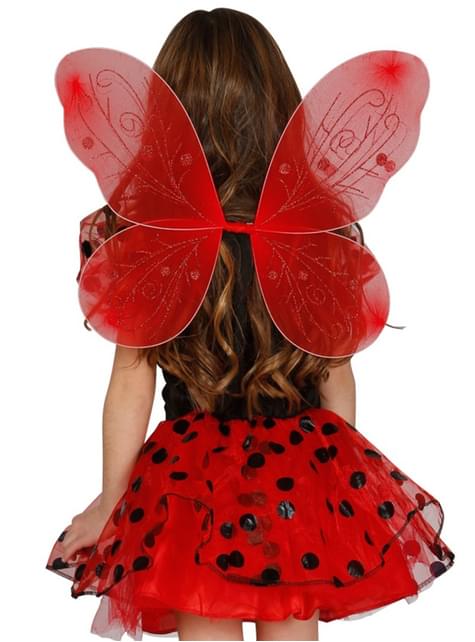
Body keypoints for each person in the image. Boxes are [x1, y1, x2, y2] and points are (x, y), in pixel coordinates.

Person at [45, 7, 455, 642]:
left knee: (203, 609)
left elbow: (130, 381)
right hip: (298, 470)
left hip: (191, 481)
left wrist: (111, 502)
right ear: (278, 109)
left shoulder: (145, 234)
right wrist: (338, 481)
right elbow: (335, 374)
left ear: (168, 113)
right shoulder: (317, 229)